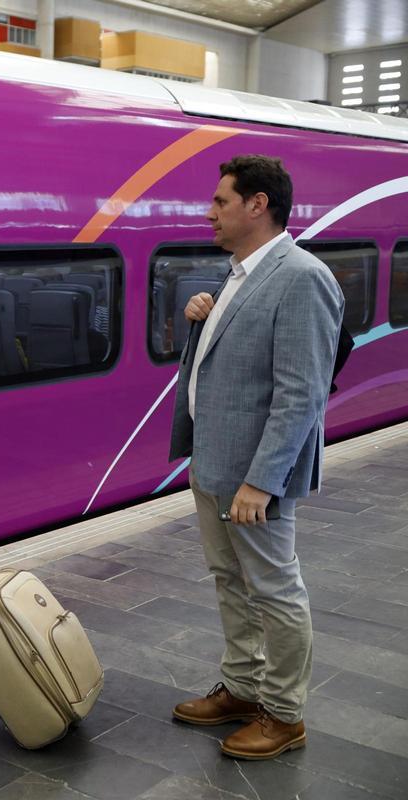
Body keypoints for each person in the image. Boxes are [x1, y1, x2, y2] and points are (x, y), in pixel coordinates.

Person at [168, 156, 343, 760]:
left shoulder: (302, 277)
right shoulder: (238, 274)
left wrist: (262, 483)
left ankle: (285, 714)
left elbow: (301, 393)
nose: (210, 212)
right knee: (230, 582)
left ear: (257, 204)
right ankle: (243, 688)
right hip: (214, 463)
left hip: (252, 479)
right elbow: (232, 366)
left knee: (274, 589)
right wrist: (200, 320)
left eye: (220, 202)